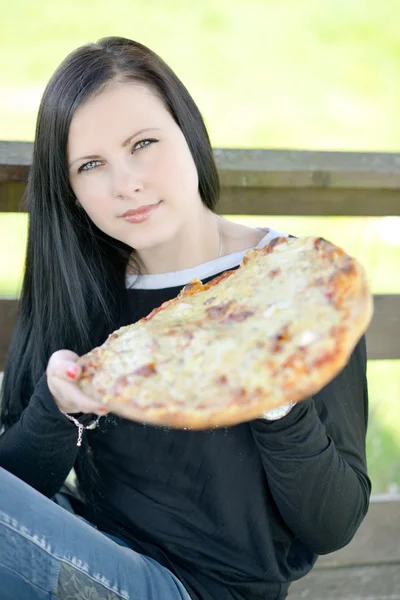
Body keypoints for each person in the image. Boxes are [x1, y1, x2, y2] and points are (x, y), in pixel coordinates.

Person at [0, 36, 370, 600]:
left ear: (188, 133)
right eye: (91, 164)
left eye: (143, 143)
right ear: (71, 188)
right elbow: (18, 497)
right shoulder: (79, 287)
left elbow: (334, 523)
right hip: (90, 552)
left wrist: (276, 396)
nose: (127, 184)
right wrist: (60, 409)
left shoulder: (296, 279)